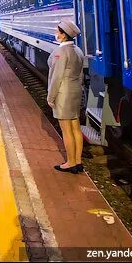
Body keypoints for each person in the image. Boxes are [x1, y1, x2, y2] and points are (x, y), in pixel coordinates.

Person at [47, 19, 85, 173]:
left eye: (58, 31)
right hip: (76, 91)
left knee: (66, 129)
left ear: (63, 35)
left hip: (63, 94)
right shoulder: (78, 51)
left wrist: (51, 97)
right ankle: (78, 161)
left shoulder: (60, 52)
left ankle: (70, 163)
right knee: (76, 127)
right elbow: (81, 74)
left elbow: (56, 77)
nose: (56, 34)